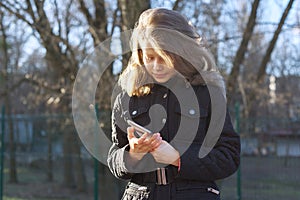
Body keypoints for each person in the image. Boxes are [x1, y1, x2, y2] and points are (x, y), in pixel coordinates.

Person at [107, 8, 240, 200]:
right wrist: (132, 155)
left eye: (164, 57)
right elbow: (113, 157)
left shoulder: (208, 93)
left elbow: (229, 156)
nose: (156, 65)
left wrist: (178, 158)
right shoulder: (126, 96)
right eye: (149, 57)